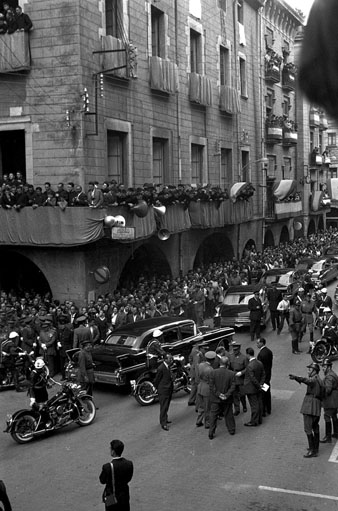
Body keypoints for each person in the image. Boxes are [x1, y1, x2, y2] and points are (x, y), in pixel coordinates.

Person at [289, 362, 323, 458]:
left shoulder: (314, 379)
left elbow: (307, 381)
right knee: (315, 426)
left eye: (310, 369)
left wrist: (296, 377)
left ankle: (312, 450)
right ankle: (315, 448)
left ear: (314, 371)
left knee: (308, 428)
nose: (308, 371)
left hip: (310, 406)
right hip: (317, 406)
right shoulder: (320, 380)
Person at [99, 439, 133, 511]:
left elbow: (102, 480)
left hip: (110, 496)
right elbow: (129, 478)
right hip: (124, 494)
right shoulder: (129, 464)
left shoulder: (107, 467)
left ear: (113, 451)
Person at [208, 356, 236, 440]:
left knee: (213, 415)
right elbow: (233, 386)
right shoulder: (231, 373)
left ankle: (211, 433)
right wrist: (226, 395)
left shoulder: (213, 373)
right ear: (228, 364)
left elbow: (211, 386)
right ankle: (231, 429)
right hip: (227, 399)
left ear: (220, 363)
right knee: (228, 413)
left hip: (215, 399)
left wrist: (219, 394)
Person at [241, 347, 265, 427]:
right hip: (259, 387)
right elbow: (263, 375)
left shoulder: (250, 366)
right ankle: (259, 419)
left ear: (248, 354)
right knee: (259, 402)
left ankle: (254, 421)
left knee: (254, 405)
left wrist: (258, 385)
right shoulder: (259, 363)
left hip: (251, 388)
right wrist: (261, 385)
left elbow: (252, 378)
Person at [153, 352, 174, 431]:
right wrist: (156, 388)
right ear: (165, 359)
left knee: (167, 405)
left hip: (168, 389)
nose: (171, 360)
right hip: (163, 390)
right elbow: (157, 379)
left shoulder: (168, 366)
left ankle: (165, 418)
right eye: (170, 359)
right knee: (164, 406)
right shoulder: (161, 368)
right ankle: (163, 423)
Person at [195, 350, 215, 429]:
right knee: (208, 407)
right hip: (207, 389)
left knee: (201, 406)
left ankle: (199, 421)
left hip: (200, 387)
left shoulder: (200, 365)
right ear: (212, 360)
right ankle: (207, 423)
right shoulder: (210, 369)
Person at [320, 359, 338, 444]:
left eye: (324, 366)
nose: (323, 368)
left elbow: (328, 390)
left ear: (329, 367)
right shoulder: (332, 374)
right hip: (335, 400)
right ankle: (336, 433)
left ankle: (328, 436)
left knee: (327, 416)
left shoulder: (329, 377)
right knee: (334, 415)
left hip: (331, 400)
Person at [229, 340, 248, 415]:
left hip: (241, 379)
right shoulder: (230, 356)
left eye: (236, 349)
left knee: (242, 394)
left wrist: (242, 372)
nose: (235, 351)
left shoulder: (244, 358)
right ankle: (237, 409)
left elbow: (247, 368)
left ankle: (244, 406)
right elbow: (229, 367)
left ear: (239, 349)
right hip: (233, 378)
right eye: (234, 350)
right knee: (234, 395)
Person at [256, 338, 273, 416]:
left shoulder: (261, 354)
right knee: (267, 393)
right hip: (268, 376)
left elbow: (260, 367)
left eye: (258, 343)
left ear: (262, 343)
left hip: (263, 378)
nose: (257, 345)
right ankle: (268, 408)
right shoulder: (269, 351)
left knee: (262, 395)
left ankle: (263, 411)